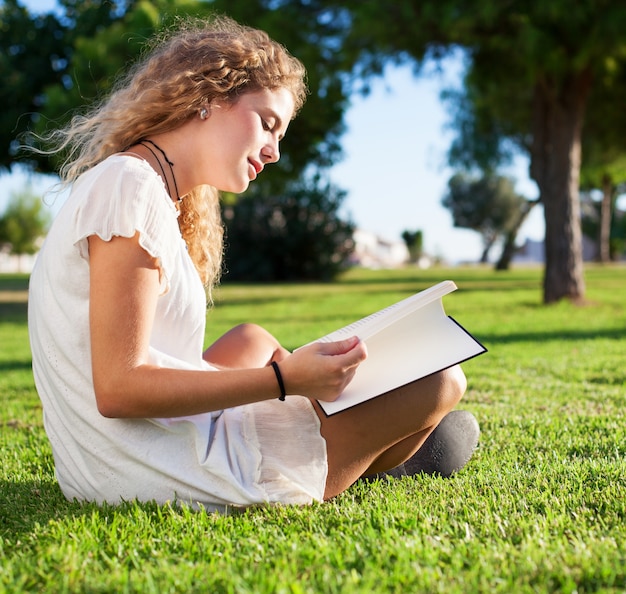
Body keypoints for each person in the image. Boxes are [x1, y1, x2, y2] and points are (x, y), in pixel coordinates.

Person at [28, 16, 479, 512]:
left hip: (112, 457)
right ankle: (362, 448)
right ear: (208, 97)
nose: (275, 150)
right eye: (267, 123)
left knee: (251, 340)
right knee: (442, 381)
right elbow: (118, 388)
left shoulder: (146, 187)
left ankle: (354, 431)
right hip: (141, 467)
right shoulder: (129, 188)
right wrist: (286, 382)